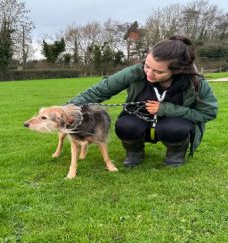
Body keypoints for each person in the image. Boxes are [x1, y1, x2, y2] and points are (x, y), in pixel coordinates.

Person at [68, 35, 218, 167]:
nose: (149, 74)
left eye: (158, 71)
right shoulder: (135, 72)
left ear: (177, 71)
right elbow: (100, 90)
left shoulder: (196, 82)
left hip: (174, 124)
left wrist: (166, 109)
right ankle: (134, 153)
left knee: (174, 127)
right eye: (147, 65)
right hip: (139, 119)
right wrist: (67, 108)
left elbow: (209, 112)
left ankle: (175, 154)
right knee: (125, 125)